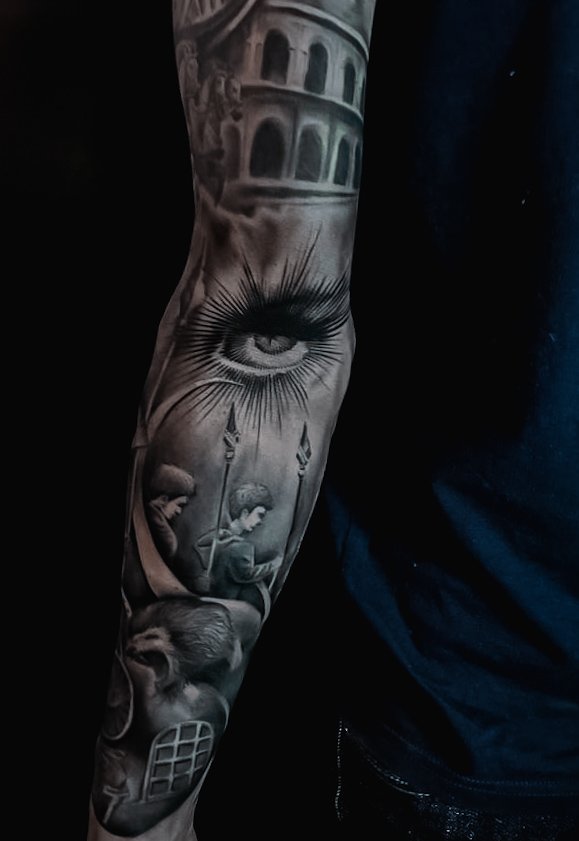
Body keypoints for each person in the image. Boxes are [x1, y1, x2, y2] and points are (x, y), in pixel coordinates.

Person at [88, 2, 579, 840]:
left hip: (482, 678)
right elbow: (270, 326)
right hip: (482, 682)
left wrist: (137, 828)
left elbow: (267, 319)